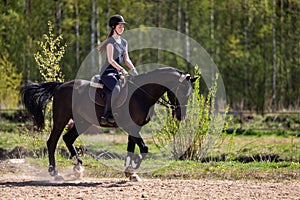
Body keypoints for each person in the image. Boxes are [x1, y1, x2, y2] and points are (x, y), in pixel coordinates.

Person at [98, 14, 138, 126]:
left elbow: (126, 59)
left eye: (123, 26)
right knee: (116, 88)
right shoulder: (110, 42)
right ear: (113, 27)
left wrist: (134, 69)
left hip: (117, 72)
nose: (122, 28)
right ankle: (106, 115)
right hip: (107, 72)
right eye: (120, 26)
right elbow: (110, 60)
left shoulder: (124, 42)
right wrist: (122, 70)